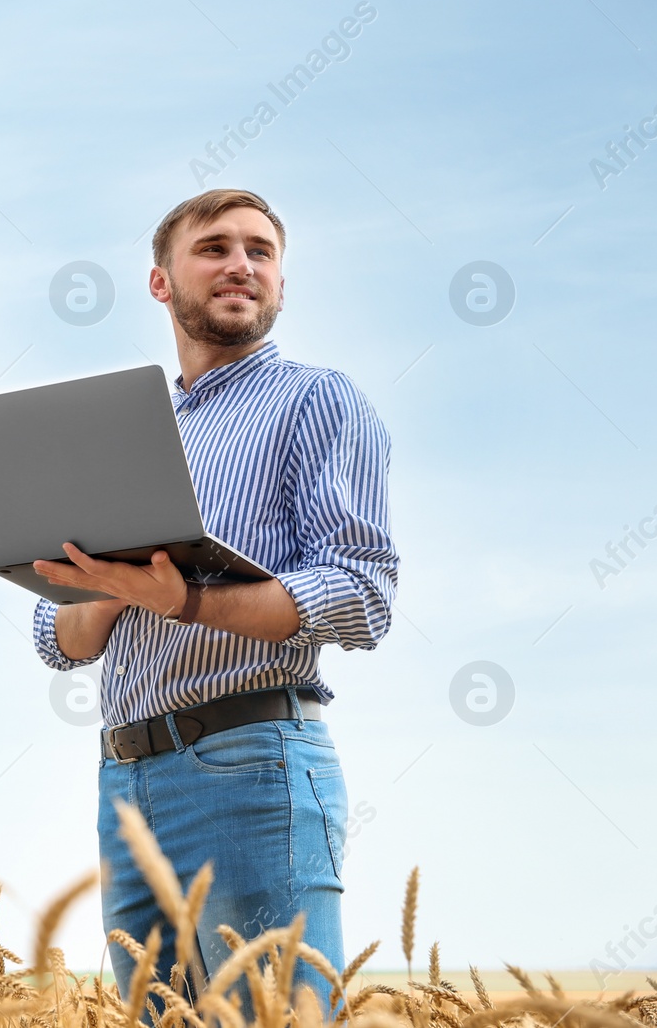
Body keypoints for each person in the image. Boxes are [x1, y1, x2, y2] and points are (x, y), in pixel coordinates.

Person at [29, 189, 398, 1017]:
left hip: (250, 763)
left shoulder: (315, 400)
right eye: (216, 247)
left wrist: (185, 601)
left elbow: (362, 594)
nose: (242, 265)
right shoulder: (125, 438)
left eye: (261, 252)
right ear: (161, 283)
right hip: (124, 779)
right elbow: (59, 638)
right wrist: (114, 594)